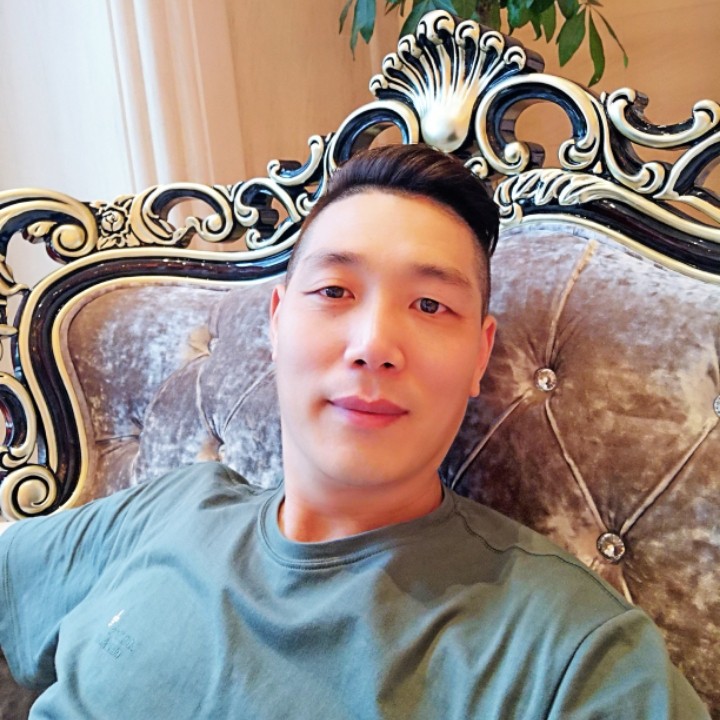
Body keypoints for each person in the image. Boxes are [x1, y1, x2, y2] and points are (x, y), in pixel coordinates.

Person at [0, 144, 709, 718]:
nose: (373, 344)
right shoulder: (171, 509)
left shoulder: (574, 658)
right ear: (278, 322)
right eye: (334, 291)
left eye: (429, 305)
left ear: (479, 355)